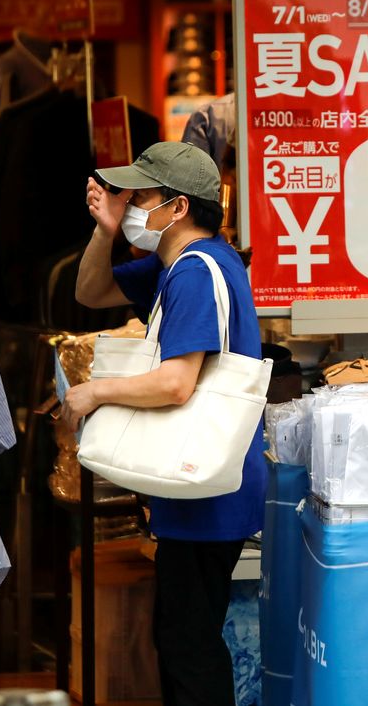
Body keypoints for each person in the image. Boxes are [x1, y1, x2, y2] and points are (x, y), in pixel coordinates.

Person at [66, 140, 266, 706]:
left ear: (177, 208)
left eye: (142, 196)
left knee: (188, 647)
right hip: (200, 486)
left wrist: (93, 392)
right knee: (185, 639)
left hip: (206, 493)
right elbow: (91, 290)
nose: (130, 205)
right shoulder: (176, 266)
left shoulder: (195, 273)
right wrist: (106, 230)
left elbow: (177, 383)